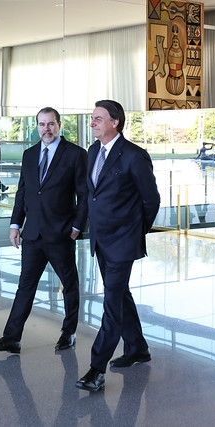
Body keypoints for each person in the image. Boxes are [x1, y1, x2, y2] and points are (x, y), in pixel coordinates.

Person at [0, 106, 88, 354]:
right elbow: (24, 192)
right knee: (25, 287)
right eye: (42, 124)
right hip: (32, 234)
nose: (46, 129)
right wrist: (15, 224)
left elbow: (84, 195)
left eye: (51, 124)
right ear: (37, 126)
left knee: (69, 285)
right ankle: (12, 338)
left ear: (59, 125)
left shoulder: (75, 154)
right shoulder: (30, 155)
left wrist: (76, 227)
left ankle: (69, 332)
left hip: (61, 234)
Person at [76, 100, 160, 392]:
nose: (93, 122)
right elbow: (92, 195)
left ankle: (96, 369)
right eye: (92, 118)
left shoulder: (134, 156)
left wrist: (135, 232)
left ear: (115, 122)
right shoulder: (93, 151)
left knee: (111, 302)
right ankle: (137, 348)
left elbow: (151, 200)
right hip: (101, 239)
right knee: (120, 294)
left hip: (123, 242)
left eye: (98, 118)